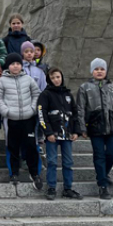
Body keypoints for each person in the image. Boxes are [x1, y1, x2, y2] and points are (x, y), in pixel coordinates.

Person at [77, 58, 113, 201]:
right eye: (96, 69)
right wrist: (82, 127)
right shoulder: (84, 87)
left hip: (111, 126)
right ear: (92, 71)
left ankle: (103, 174)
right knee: (99, 155)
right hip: (95, 126)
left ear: (105, 71)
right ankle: (103, 185)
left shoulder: (112, 87)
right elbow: (80, 108)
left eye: (102, 69)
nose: (99, 71)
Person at [0, 53, 42, 191]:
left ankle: (35, 174)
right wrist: (6, 111)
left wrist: (33, 108)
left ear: (21, 65)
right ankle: (14, 173)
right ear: (8, 66)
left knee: (31, 147)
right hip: (12, 119)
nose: (15, 66)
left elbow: (36, 93)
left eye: (17, 64)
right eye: (12, 64)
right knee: (13, 147)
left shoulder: (28, 79)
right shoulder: (2, 81)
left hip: (28, 119)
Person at [38, 67, 82, 201]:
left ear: (61, 77)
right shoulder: (45, 95)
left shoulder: (68, 94)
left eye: (58, 77)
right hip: (52, 135)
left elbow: (75, 113)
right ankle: (51, 187)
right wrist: (48, 132)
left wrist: (76, 131)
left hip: (67, 135)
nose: (56, 80)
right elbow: (41, 114)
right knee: (51, 162)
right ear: (48, 80)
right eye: (53, 78)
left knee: (68, 162)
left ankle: (68, 188)